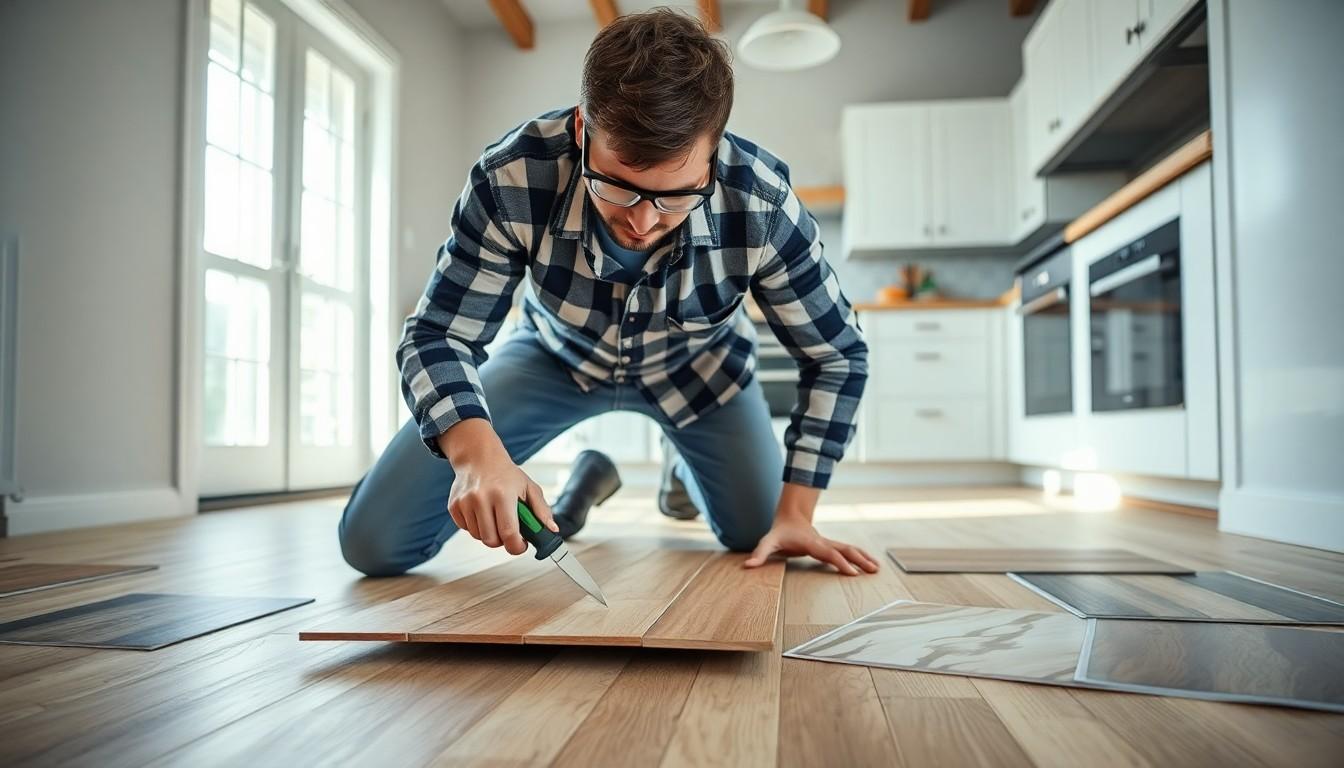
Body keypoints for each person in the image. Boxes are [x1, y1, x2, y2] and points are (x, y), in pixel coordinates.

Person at [338, 8, 877, 579]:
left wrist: (797, 513)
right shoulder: (512, 177)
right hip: (554, 356)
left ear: (714, 154)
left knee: (755, 531)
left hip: (701, 370)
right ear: (581, 130)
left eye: (675, 196)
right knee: (374, 544)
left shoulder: (763, 205)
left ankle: (683, 465)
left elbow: (838, 354)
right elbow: (438, 334)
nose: (643, 222)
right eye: (616, 187)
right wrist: (478, 458)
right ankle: (592, 473)